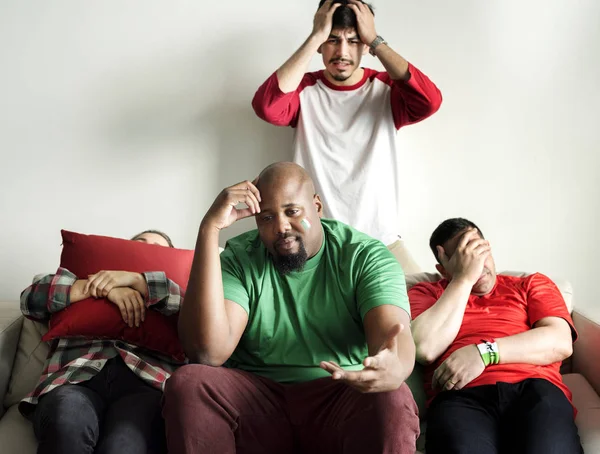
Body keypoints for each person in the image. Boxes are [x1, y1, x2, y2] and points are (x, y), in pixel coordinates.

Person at [163, 162, 418, 454]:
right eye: (267, 217)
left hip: (338, 397)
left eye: (292, 212)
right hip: (257, 403)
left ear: (317, 206)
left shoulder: (363, 255)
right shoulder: (240, 257)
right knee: (190, 383)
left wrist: (393, 366)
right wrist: (209, 229)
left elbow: (393, 335)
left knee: (392, 395)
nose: (281, 227)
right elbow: (208, 352)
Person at [252, 0, 442, 274]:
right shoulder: (305, 89)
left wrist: (376, 39)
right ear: (320, 44)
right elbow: (267, 107)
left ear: (365, 46)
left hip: (381, 241)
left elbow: (429, 101)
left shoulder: (386, 88)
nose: (342, 52)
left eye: (354, 41)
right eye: (332, 40)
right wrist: (315, 34)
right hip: (317, 241)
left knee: (422, 303)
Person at [408, 218, 582, 454]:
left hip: (535, 390)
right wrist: (462, 278)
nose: (475, 264)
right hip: (460, 396)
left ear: (488, 248)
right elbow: (424, 348)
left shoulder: (531, 284)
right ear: (443, 268)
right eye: (461, 258)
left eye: (477, 251)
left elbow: (560, 341)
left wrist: (485, 353)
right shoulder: (427, 293)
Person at [19, 229, 184, 454]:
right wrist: (105, 288)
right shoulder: (76, 277)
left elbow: (196, 316)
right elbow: (30, 300)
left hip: (144, 386)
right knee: (67, 425)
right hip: (75, 380)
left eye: (156, 248)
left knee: (124, 447)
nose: (146, 249)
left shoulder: (181, 291)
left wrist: (136, 280)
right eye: (140, 243)